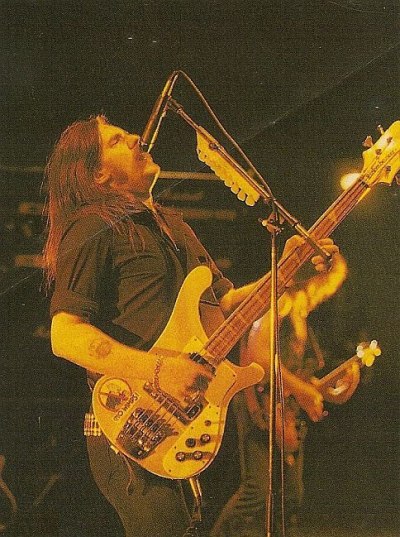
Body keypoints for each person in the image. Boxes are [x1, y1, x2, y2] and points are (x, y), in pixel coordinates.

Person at [43, 114, 339, 537]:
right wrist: (161, 370)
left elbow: (227, 307)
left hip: (177, 422)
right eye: (115, 140)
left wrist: (287, 273)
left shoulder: (174, 226)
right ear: (98, 175)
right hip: (128, 424)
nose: (134, 137)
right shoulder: (92, 226)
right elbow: (65, 333)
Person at [211, 252, 360, 537]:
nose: (329, 292)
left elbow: (296, 377)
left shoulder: (301, 314)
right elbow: (259, 355)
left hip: (285, 412)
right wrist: (302, 389)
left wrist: (333, 389)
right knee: (257, 490)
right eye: (331, 284)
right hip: (261, 407)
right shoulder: (282, 302)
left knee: (290, 494)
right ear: (318, 279)